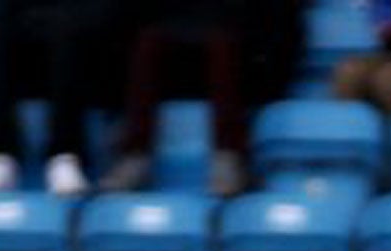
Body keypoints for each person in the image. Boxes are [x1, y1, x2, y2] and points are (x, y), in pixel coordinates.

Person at [98, 0, 307, 196]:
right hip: (173, 47)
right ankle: (134, 155)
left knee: (223, 40)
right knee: (147, 39)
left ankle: (229, 156)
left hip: (246, 54)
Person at [0, 0, 136, 197]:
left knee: (66, 28)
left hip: (96, 43)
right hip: (36, 32)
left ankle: (65, 155)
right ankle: (2, 155)